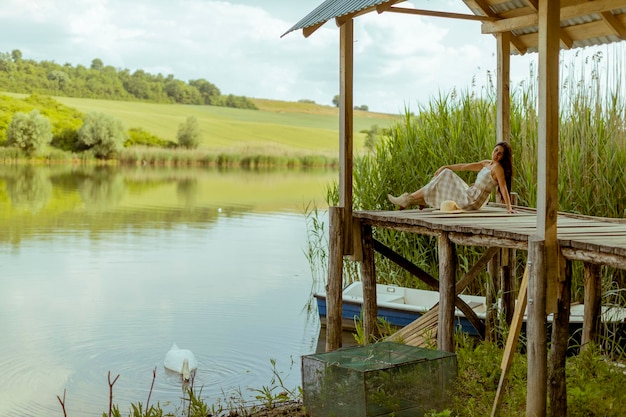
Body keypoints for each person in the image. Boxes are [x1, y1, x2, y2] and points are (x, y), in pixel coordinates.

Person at [387, 141, 515, 214]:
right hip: (470, 193)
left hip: (473, 200)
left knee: (445, 175)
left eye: (500, 154)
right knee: (446, 174)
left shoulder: (497, 168)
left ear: (503, 157)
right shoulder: (487, 163)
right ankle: (413, 199)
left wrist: (509, 208)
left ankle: (410, 199)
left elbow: (503, 187)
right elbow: (464, 166)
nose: (496, 154)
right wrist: (445, 166)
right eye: (496, 150)